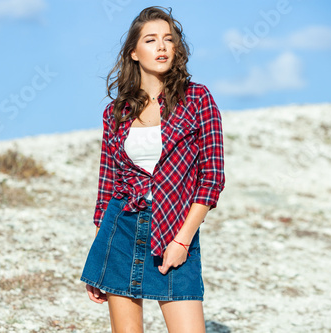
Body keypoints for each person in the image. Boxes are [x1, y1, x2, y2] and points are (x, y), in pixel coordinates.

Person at [80, 6, 224, 333]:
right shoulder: (115, 113)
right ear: (134, 52)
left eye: (168, 40)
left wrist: (183, 241)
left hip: (173, 230)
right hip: (121, 233)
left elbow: (212, 178)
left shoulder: (197, 98)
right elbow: (107, 190)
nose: (161, 47)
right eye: (151, 39)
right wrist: (102, 258)